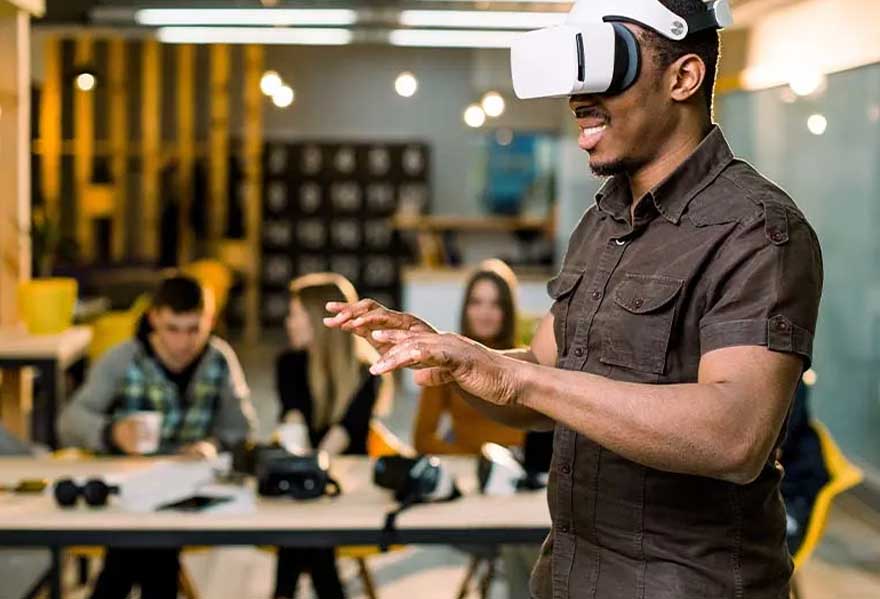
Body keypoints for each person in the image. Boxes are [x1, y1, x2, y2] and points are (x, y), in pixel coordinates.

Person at [324, 1, 824, 597]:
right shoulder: (601, 221)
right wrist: (456, 360)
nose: (578, 99)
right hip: (567, 575)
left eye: (610, 66)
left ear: (683, 78)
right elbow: (543, 373)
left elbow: (735, 436)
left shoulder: (755, 228)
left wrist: (518, 379)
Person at [58, 274, 257, 599]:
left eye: (194, 330)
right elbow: (70, 421)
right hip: (128, 486)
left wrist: (212, 445)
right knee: (155, 547)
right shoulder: (123, 358)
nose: (183, 343)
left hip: (186, 488)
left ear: (209, 322)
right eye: (172, 329)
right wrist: (112, 432)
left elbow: (242, 428)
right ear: (154, 319)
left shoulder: (219, 360)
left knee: (138, 548)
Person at [273, 273, 391, 599]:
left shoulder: (367, 374)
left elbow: (343, 434)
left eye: (295, 314)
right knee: (308, 527)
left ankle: (284, 593)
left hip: (348, 488)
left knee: (304, 528)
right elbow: (294, 420)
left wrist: (310, 469)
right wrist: (307, 468)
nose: (288, 322)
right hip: (308, 482)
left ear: (316, 320)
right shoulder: (289, 363)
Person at [413, 261, 524, 455]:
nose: (484, 313)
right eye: (476, 302)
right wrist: (472, 461)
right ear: (466, 307)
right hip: (467, 465)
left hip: (520, 467)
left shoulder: (527, 362)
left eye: (495, 304)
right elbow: (422, 439)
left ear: (508, 310)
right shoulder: (446, 361)